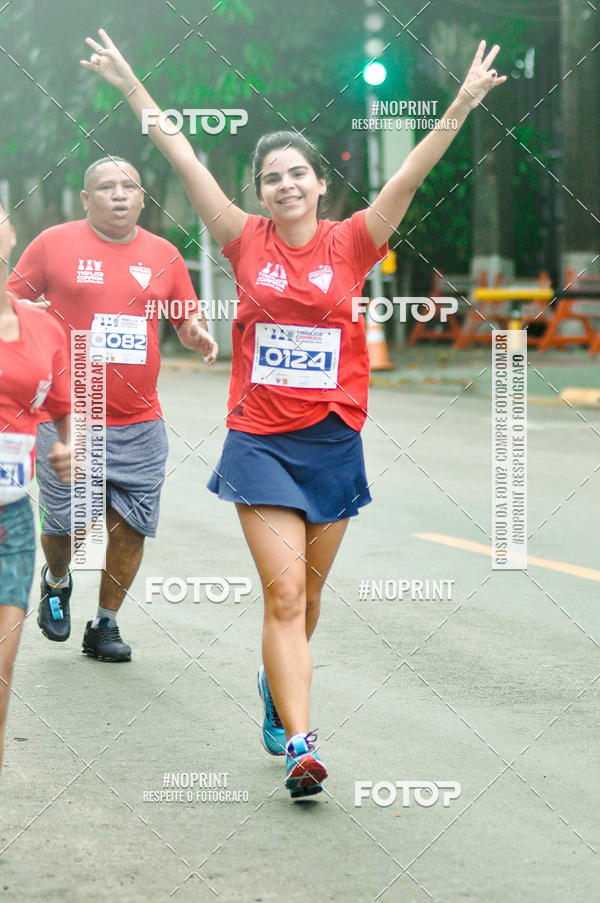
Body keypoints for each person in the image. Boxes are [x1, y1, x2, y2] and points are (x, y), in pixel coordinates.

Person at [82, 30, 506, 796]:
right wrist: (131, 86)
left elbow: (412, 173)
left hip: (333, 442)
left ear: (319, 184)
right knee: (282, 593)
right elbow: (182, 153)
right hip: (258, 442)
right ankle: (302, 746)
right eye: (270, 177)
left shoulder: (353, 242)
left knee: (307, 599)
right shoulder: (243, 240)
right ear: (258, 191)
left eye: (297, 174)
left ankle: (275, 687)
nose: (284, 185)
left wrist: (464, 103)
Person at [6, 157, 218, 663]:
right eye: (106, 187)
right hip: (67, 417)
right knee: (65, 524)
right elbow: (8, 301)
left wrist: (197, 334)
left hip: (140, 420)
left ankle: (105, 625)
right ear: (86, 199)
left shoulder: (164, 254)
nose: (119, 194)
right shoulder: (53, 244)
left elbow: (186, 316)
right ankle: (57, 582)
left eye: (129, 186)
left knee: (131, 523)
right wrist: (25, 315)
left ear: (143, 198)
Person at [0, 197, 71, 771]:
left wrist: (69, 445)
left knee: (2, 668)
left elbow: (65, 406)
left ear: (9, 233)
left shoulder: (45, 325)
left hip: (11, 518)